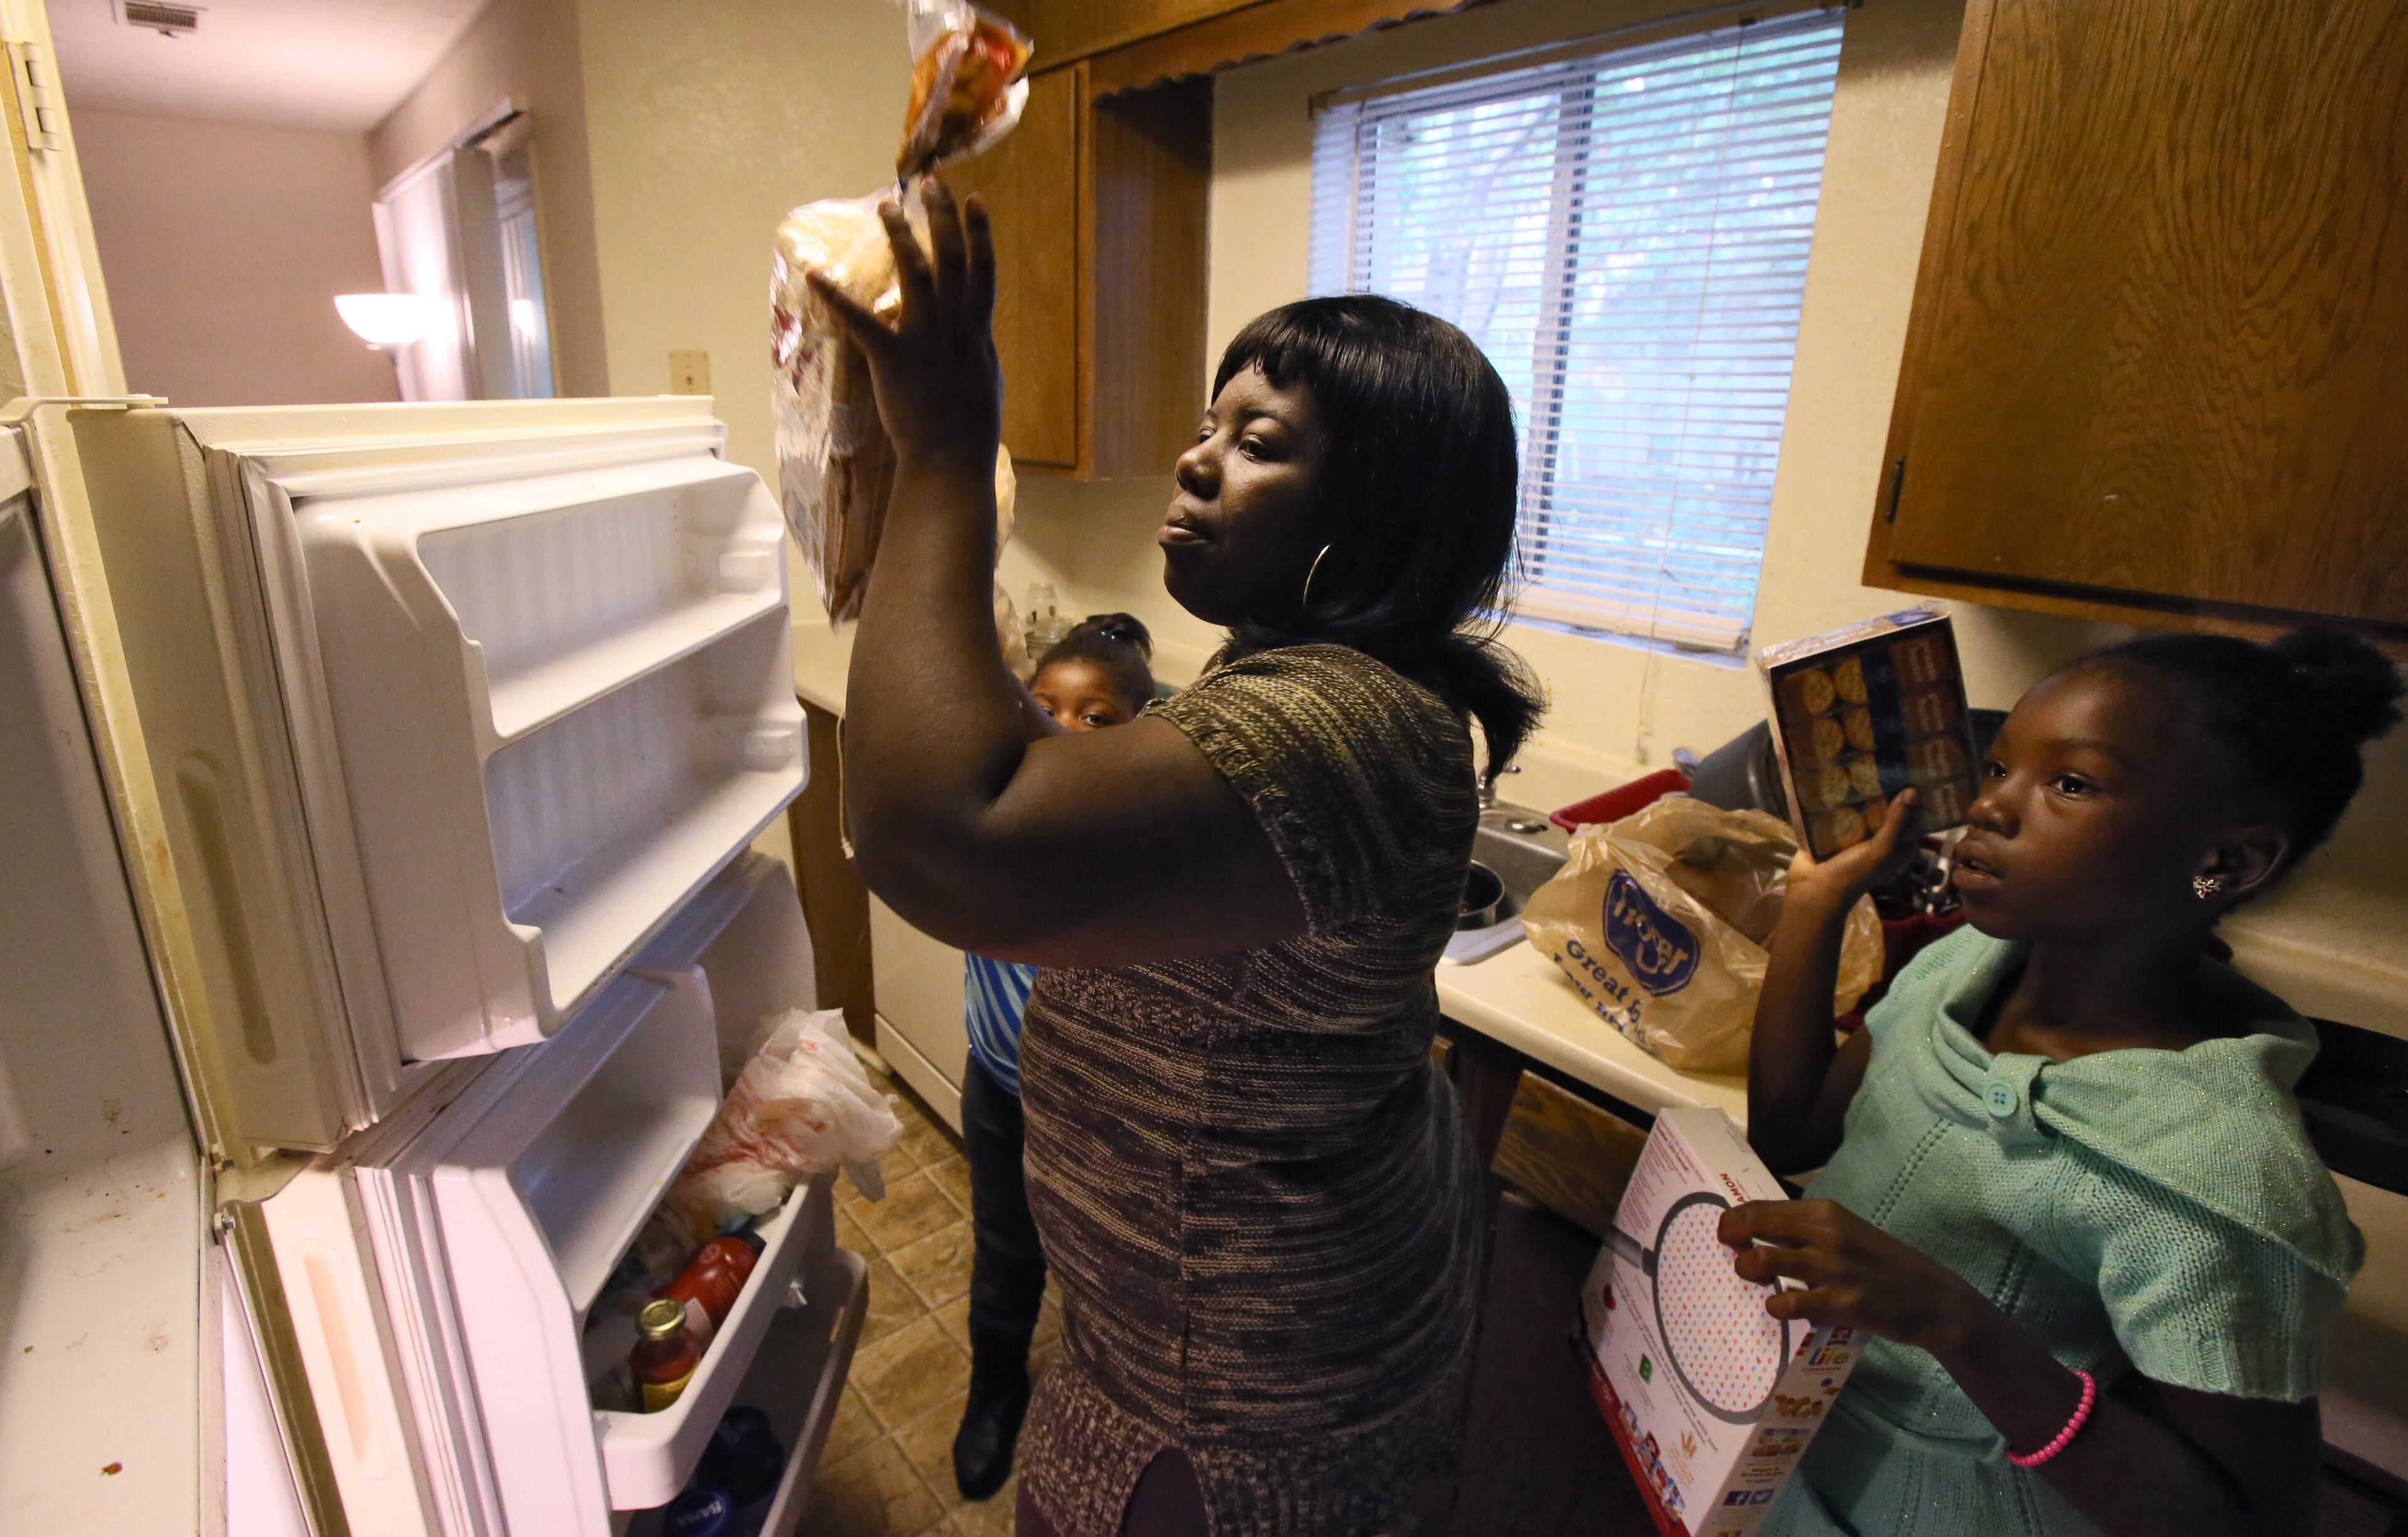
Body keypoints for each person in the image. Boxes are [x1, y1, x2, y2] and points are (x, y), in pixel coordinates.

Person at [808, 181, 1541, 1537]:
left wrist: (946, 449)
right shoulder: (1310, 685)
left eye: (1256, 441)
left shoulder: (1345, 722)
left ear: (1375, 513)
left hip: (1252, 1381)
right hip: (1177, 1324)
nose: (1197, 460)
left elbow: (936, 836)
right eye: (1209, 424)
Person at [1728, 627, 2398, 1537]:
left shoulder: (2225, 1175)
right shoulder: (1960, 968)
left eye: (2070, 784)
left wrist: (1952, 1320)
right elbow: (1793, 1133)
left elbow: (2247, 1524)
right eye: (1999, 767)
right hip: (1798, 1477)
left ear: (2228, 863)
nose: (1989, 808)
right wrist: (1816, 901)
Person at [955, 615, 1158, 1501]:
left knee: (1105, 1267)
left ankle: (1099, 1412)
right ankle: (994, 1390)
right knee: (1006, 1251)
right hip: (998, 1089)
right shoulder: (995, 827)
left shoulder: (1135, 848)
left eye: (1095, 717)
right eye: (1046, 709)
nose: (1064, 730)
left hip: (1098, 1105)